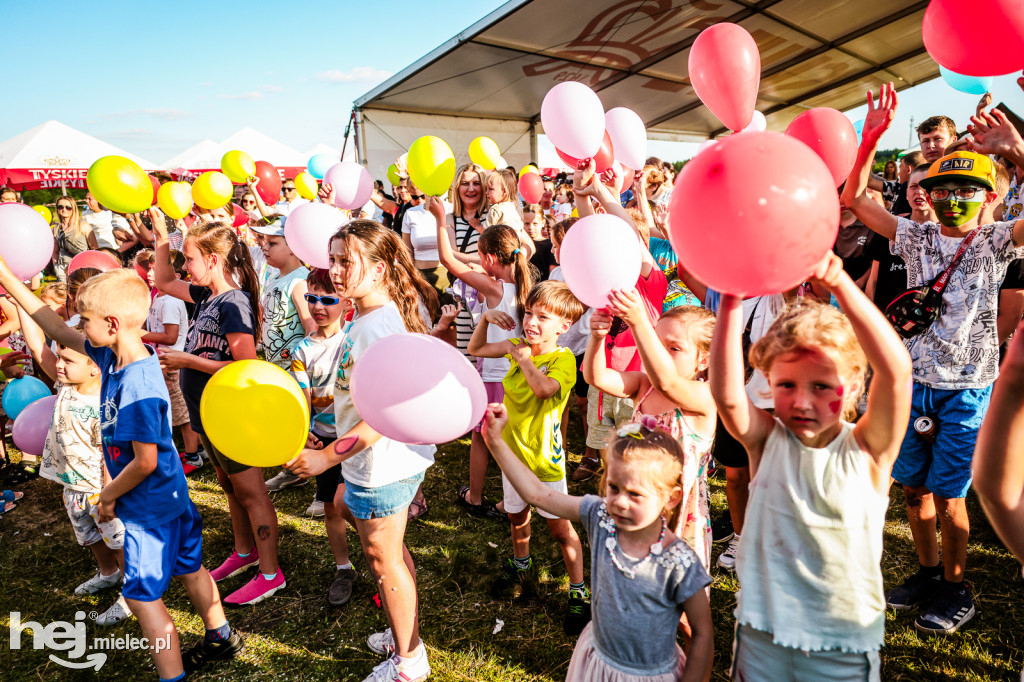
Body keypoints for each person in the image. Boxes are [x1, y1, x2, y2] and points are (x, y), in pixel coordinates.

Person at [0, 264, 243, 681]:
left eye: (87, 322)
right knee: (189, 568)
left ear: (111, 324)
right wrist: (6, 276)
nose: (81, 329)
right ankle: (219, 634)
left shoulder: (138, 386)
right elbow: (56, 330)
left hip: (148, 508)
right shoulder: (115, 354)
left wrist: (109, 496)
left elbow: (144, 461)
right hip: (172, 497)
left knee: (142, 596)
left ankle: (173, 675)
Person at [842, 83, 1024, 635]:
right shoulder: (917, 238)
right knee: (913, 491)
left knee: (951, 498)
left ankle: (956, 585)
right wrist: (869, 139)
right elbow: (856, 200)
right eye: (942, 187)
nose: (951, 198)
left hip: (968, 388)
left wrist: (1019, 151)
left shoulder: (998, 241)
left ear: (990, 194)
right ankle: (927, 573)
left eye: (966, 187)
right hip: (912, 382)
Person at [709, 253, 912, 681]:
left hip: (841, 642)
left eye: (822, 387)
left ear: (855, 385)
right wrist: (729, 301)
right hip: (763, 631)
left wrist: (839, 281)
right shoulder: (766, 441)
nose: (801, 401)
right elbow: (727, 395)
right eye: (785, 385)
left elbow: (896, 373)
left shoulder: (869, 450)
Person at [284, 220, 436, 682]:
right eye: (333, 260)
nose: (335, 271)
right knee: (385, 548)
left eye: (346, 261)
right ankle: (403, 635)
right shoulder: (369, 317)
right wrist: (328, 438)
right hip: (374, 459)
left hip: (381, 464)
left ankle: (409, 664)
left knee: (382, 559)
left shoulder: (377, 327)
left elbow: (385, 415)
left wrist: (328, 458)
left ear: (381, 269)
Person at [483, 406, 713, 682]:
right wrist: (495, 441)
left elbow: (702, 634)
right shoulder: (600, 516)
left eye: (635, 494)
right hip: (597, 666)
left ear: (671, 498)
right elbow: (539, 494)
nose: (619, 502)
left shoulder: (679, 560)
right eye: (613, 487)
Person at [150, 212, 286, 608]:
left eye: (189, 258)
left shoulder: (234, 302)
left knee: (251, 491)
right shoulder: (206, 296)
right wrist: (162, 236)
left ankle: (269, 572)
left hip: (231, 414)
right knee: (229, 486)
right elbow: (162, 280)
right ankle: (244, 553)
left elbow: (246, 366)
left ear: (212, 259)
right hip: (207, 411)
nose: (184, 266)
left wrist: (190, 362)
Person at [468, 280, 591, 635]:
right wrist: (486, 318)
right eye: (529, 314)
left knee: (560, 529)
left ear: (563, 327)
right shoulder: (518, 346)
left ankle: (579, 591)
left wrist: (523, 360)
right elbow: (476, 347)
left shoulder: (563, 360)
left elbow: (543, 389)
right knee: (516, 516)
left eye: (543, 317)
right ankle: (521, 565)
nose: (532, 323)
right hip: (511, 457)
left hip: (543, 463)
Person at [14, 306, 130, 626]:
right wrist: (22, 304)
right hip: (72, 485)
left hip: (99, 489)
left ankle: (132, 592)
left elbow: (110, 453)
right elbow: (38, 347)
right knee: (88, 535)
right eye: (60, 358)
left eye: (68, 360)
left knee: (115, 538)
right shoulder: (65, 385)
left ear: (95, 367)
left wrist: (109, 494)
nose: (59, 365)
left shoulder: (104, 402)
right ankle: (108, 573)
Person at [584, 299, 717, 572]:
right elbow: (595, 376)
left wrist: (639, 321)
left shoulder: (704, 397)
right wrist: (597, 338)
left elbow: (667, 382)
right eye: (656, 343)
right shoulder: (644, 385)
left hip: (679, 514)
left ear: (703, 359)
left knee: (677, 591)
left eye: (675, 348)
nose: (660, 353)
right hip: (637, 503)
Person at [569, 161, 668, 483]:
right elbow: (592, 232)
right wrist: (581, 193)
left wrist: (600, 191)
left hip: (636, 380)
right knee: (602, 435)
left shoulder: (651, 284)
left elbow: (630, 238)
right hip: (603, 374)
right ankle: (602, 474)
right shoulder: (608, 280)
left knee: (633, 448)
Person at [434, 196, 531, 519]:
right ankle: (519, 498)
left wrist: (439, 218)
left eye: (480, 256)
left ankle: (476, 497)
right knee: (514, 438)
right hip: (521, 374)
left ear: (488, 257)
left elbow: (448, 260)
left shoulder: (494, 290)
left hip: (493, 374)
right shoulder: (528, 283)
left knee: (481, 438)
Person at [288, 268, 359, 606]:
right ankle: (344, 567)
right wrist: (305, 434)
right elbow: (302, 399)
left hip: (358, 438)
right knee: (332, 507)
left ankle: (380, 554)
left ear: (346, 303)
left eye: (327, 300)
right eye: (311, 298)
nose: (318, 306)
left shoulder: (355, 338)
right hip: (324, 440)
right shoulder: (302, 351)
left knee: (352, 503)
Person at [141, 250, 203, 473]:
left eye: (154, 269)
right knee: (177, 409)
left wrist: (140, 334)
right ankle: (198, 448)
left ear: (175, 276)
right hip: (163, 361)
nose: (149, 273)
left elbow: (170, 337)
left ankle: (193, 456)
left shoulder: (169, 301)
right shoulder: (157, 296)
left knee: (182, 413)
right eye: (149, 268)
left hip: (174, 362)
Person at [445, 163, 489, 360]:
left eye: (476, 183)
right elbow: (449, 256)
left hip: (490, 298)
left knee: (489, 358)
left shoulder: (492, 215)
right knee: (467, 356)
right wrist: (483, 261)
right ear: (457, 188)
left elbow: (452, 255)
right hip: (463, 300)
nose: (470, 189)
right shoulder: (449, 218)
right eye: (465, 183)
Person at [401, 180, 450, 304]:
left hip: (448, 277)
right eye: (415, 196)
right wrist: (411, 279)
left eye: (422, 196)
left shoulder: (451, 210)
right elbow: (407, 253)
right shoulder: (410, 213)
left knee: (451, 321)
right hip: (420, 277)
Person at [53, 197, 98, 281]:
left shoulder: (84, 226)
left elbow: (95, 249)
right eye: (60, 207)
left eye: (68, 207)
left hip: (81, 268)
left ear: (73, 209)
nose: (64, 209)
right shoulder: (56, 229)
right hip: (63, 270)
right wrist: (56, 266)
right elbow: (55, 251)